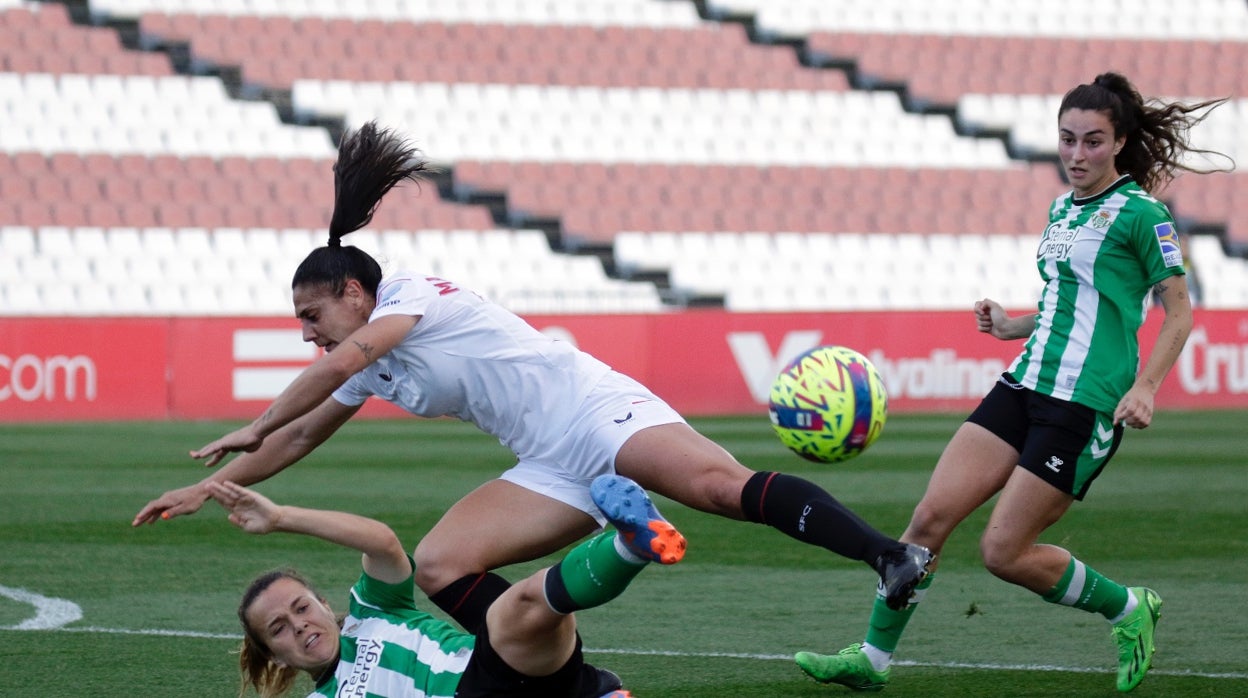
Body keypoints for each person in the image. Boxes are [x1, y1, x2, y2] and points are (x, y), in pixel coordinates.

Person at [132, 121, 932, 637]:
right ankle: (545, 656)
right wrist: (214, 485)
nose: (308, 334)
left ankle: (889, 556)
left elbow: (342, 363)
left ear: (353, 292)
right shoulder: (364, 358)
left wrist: (255, 422)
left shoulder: (407, 295)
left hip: (596, 408)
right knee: (441, 565)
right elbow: (307, 431)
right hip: (546, 461)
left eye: (311, 315)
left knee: (720, 489)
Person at [794, 72, 1231, 694]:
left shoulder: (1142, 214)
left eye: (1093, 142)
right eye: (1068, 140)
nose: (1077, 155)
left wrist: (1148, 386)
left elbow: (1180, 311)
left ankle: (1128, 607)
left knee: (1004, 553)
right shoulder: (1060, 209)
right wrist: (1011, 326)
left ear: (1120, 142)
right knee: (926, 522)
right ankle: (872, 659)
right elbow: (1068, 302)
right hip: (1022, 383)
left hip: (1083, 404)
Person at [215, 473, 680, 697]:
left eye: (300, 607)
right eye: (277, 628)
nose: (298, 626)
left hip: (499, 670)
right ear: (274, 655)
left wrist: (281, 518)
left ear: (322, 602)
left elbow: (383, 543)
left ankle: (633, 545)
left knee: (520, 605)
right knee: (513, 614)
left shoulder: (372, 612)